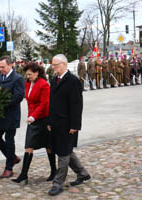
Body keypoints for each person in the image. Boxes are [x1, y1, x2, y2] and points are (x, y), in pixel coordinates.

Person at [47, 54, 91, 196]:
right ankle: (82, 173)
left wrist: (75, 125)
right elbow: (52, 103)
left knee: (63, 154)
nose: (53, 67)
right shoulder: (54, 80)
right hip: (56, 123)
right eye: (52, 65)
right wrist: (49, 121)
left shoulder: (73, 81)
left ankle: (57, 183)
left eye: (56, 65)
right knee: (66, 151)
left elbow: (77, 105)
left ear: (64, 64)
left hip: (68, 124)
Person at [12, 62, 56, 184]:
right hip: (33, 119)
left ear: (37, 73)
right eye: (27, 74)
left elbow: (44, 104)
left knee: (48, 146)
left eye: (30, 74)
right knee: (29, 146)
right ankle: (24, 174)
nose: (28, 77)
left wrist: (33, 116)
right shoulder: (27, 83)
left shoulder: (44, 85)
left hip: (43, 119)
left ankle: (54, 171)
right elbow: (29, 101)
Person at [0, 56, 25, 179]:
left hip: (11, 114)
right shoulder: (0, 77)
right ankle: (13, 157)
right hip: (0, 114)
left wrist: (3, 103)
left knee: (9, 139)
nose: (1, 69)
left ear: (11, 65)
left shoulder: (18, 78)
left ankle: (9, 168)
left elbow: (18, 97)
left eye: (3, 67)